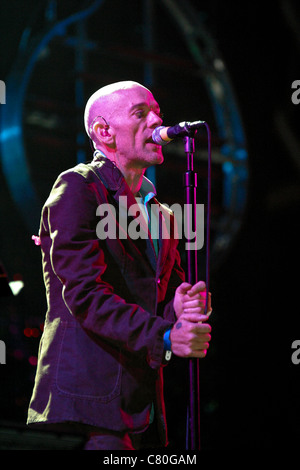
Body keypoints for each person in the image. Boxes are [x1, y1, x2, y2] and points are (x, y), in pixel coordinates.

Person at [27, 80, 212, 450]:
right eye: (141, 113)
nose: (158, 119)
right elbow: (85, 295)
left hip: (140, 404)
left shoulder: (161, 214)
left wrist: (181, 308)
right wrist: (163, 335)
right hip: (88, 402)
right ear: (103, 131)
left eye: (157, 110)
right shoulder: (79, 187)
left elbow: (163, 296)